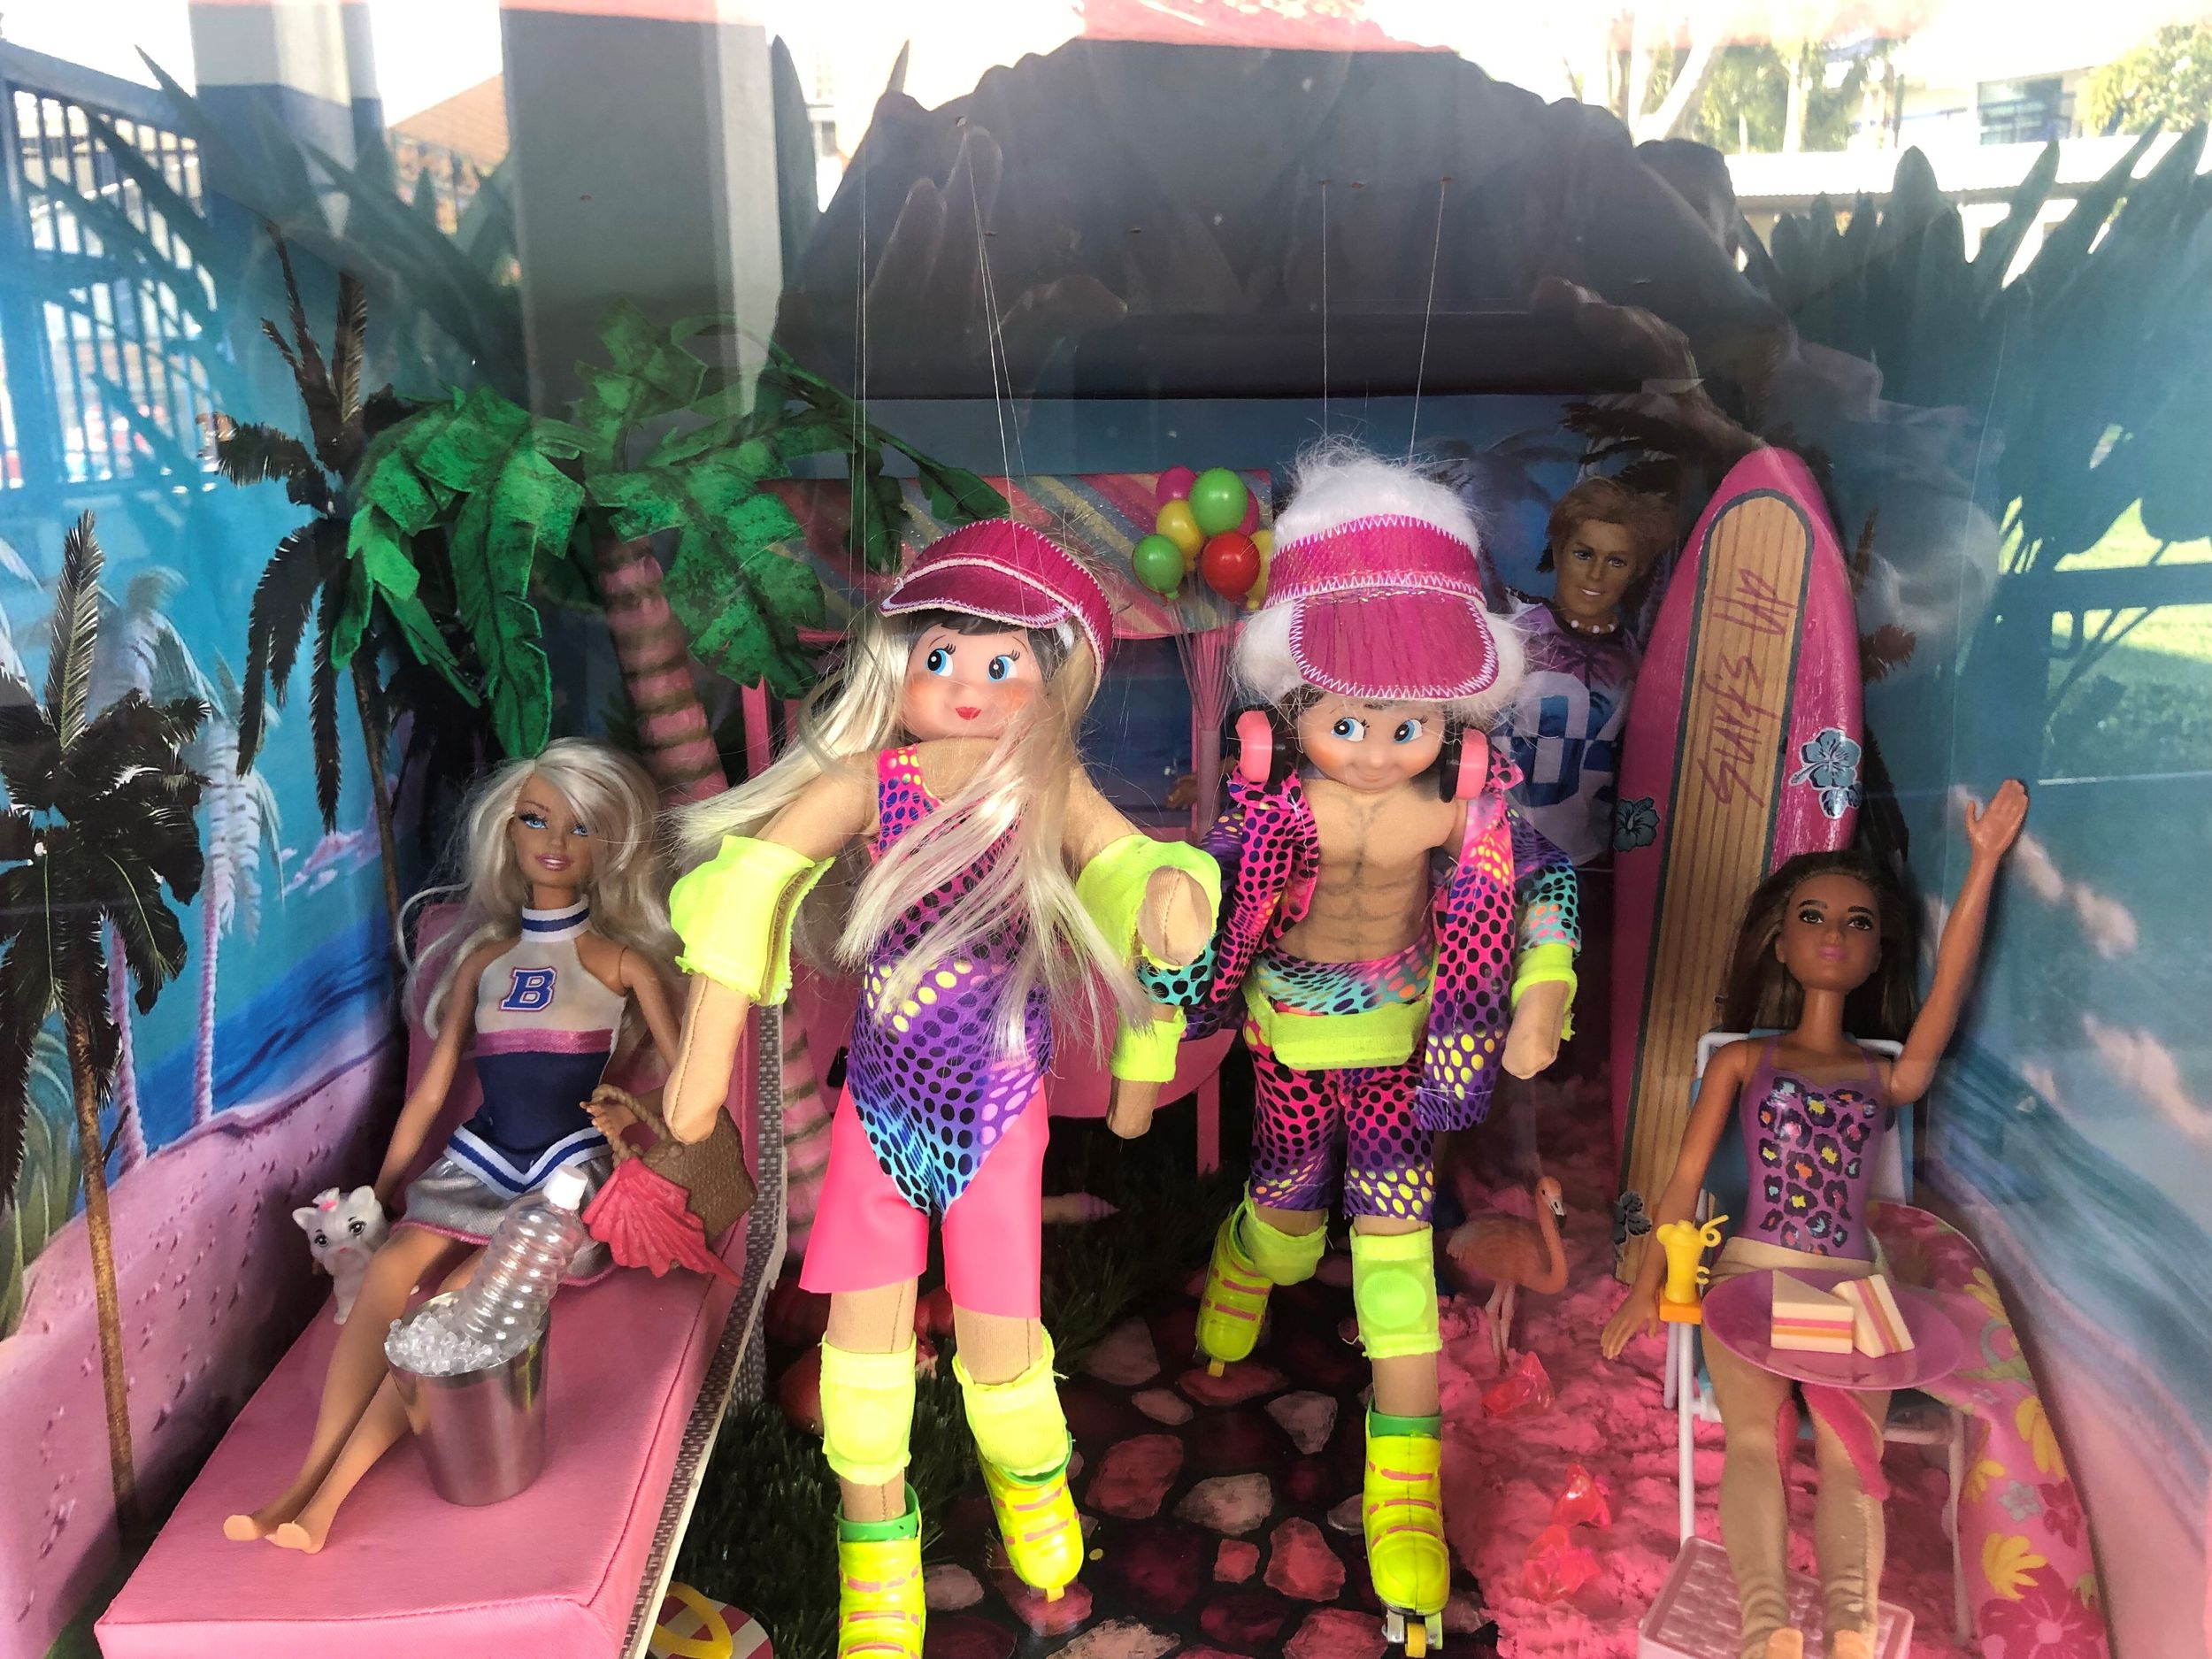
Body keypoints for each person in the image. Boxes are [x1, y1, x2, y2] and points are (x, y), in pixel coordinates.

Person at [657, 518, 1217, 1659]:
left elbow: (1123, 865)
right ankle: (876, 1548)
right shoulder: (873, 782)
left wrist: (1166, 899)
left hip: (997, 1115)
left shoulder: (1045, 789)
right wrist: (708, 1039)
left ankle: (1030, 1482)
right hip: (882, 1107)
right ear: (897, 670)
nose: (967, 685)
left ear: (1050, 682)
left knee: (1003, 1327)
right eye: (940, 657)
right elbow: (756, 875)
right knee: (862, 1345)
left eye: (1002, 663)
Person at [1164, 446, 1579, 1652]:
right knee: (1290, 1215)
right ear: (1286, 713)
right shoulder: (1268, 813)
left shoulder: (1457, 808)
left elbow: (1545, 886)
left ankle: (1405, 1490)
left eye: (1410, 722)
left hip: (1409, 1051)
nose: (1376, 747)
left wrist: (1543, 985)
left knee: (1396, 1264)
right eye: (1344, 719)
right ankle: (1248, 1254)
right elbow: (1194, 905)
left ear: (1455, 722)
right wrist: (1171, 942)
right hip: (1290, 1043)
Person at [1600, 782, 2030, 1659]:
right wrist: (1648, 1285)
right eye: (1813, 916)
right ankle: (1766, 1629)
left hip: (1853, 1287)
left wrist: (1983, 863)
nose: (1835, 934)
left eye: (1858, 923)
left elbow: (1945, 995)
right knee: (1755, 1442)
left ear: (1876, 952)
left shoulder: (1884, 1077)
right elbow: (1683, 1183)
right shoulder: (1742, 1061)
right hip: (1751, 1278)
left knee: (1849, 1456)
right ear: (1781, 940)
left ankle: (1849, 1628)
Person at [225, 740, 680, 1552]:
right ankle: (301, 1477)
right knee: (389, 1273)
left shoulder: (619, 962)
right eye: (535, 819)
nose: (554, 842)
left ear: (608, 845)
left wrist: (636, 1127)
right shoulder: (485, 961)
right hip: (482, 1156)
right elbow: (431, 1093)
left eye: (580, 827)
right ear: (507, 828)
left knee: (454, 1313)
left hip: (560, 1173)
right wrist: (381, 1188)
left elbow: (688, 1084)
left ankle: (327, 1501)